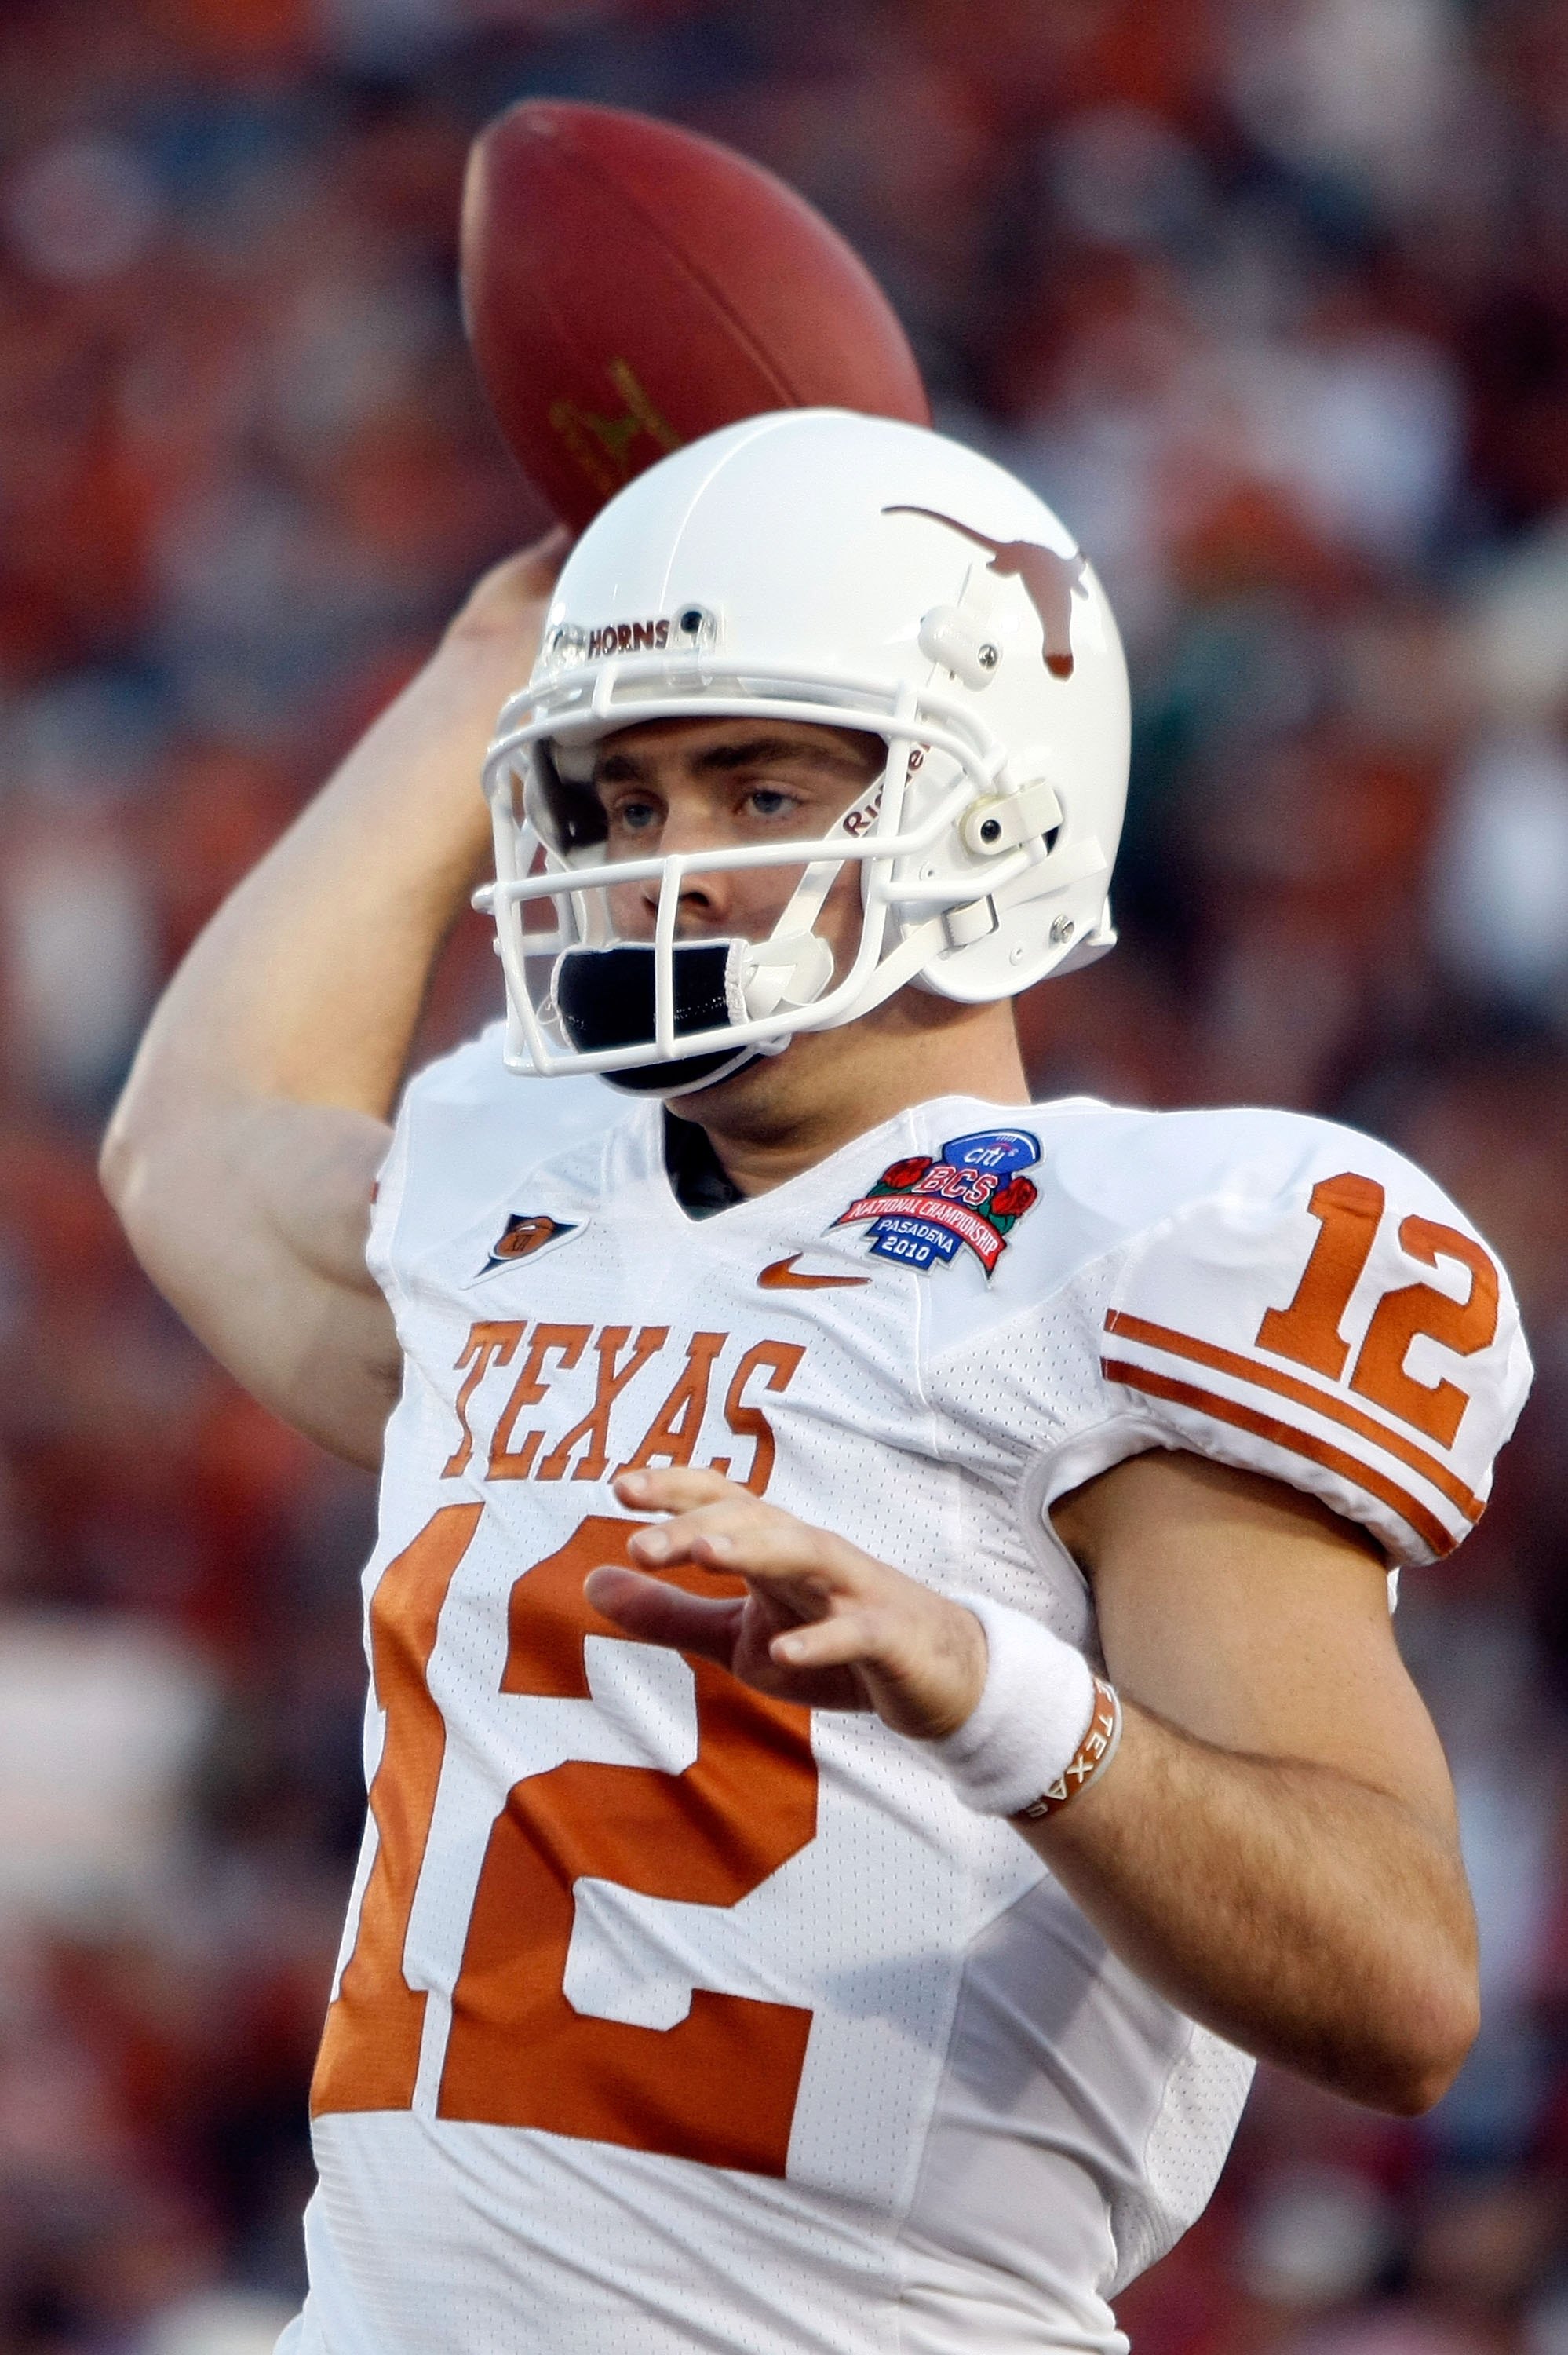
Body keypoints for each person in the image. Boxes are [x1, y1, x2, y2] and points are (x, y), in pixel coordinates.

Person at [102, 410, 1530, 2355]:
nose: (668, 863)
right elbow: (191, 1143)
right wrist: (483, 669)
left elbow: (1399, 1989)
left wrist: (990, 1686)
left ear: (997, 795)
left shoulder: (1136, 1243)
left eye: (753, 781)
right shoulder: (517, 1189)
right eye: (617, 804)